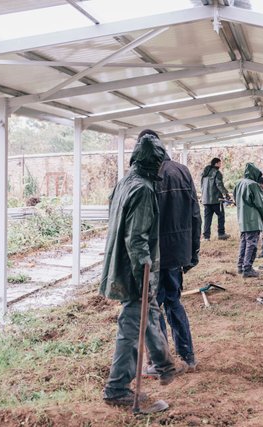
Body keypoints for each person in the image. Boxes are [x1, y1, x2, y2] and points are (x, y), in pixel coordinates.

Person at [99, 131, 180, 407]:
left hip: (123, 266)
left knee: (148, 316)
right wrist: (143, 274)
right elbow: (136, 239)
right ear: (154, 163)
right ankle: (117, 388)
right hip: (134, 271)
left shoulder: (125, 182)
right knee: (131, 328)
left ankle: (164, 364)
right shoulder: (143, 189)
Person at [141, 129, 200, 378]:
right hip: (177, 252)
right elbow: (195, 213)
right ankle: (188, 356)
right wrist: (193, 250)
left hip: (155, 255)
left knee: (154, 307)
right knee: (174, 302)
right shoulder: (182, 171)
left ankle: (161, 361)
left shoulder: (148, 175)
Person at [233, 163, 263, 277]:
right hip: (253, 220)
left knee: (244, 242)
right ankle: (247, 268)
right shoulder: (253, 185)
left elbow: (235, 200)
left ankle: (240, 266)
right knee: (251, 244)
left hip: (242, 218)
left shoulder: (239, 183)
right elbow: (260, 204)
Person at [200, 157, 230, 241]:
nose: (220, 165)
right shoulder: (217, 173)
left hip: (206, 200)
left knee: (207, 218)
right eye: (220, 163)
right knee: (221, 216)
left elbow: (202, 186)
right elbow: (219, 185)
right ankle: (221, 234)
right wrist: (226, 194)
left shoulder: (204, 174)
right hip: (216, 200)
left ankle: (206, 237)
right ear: (216, 164)